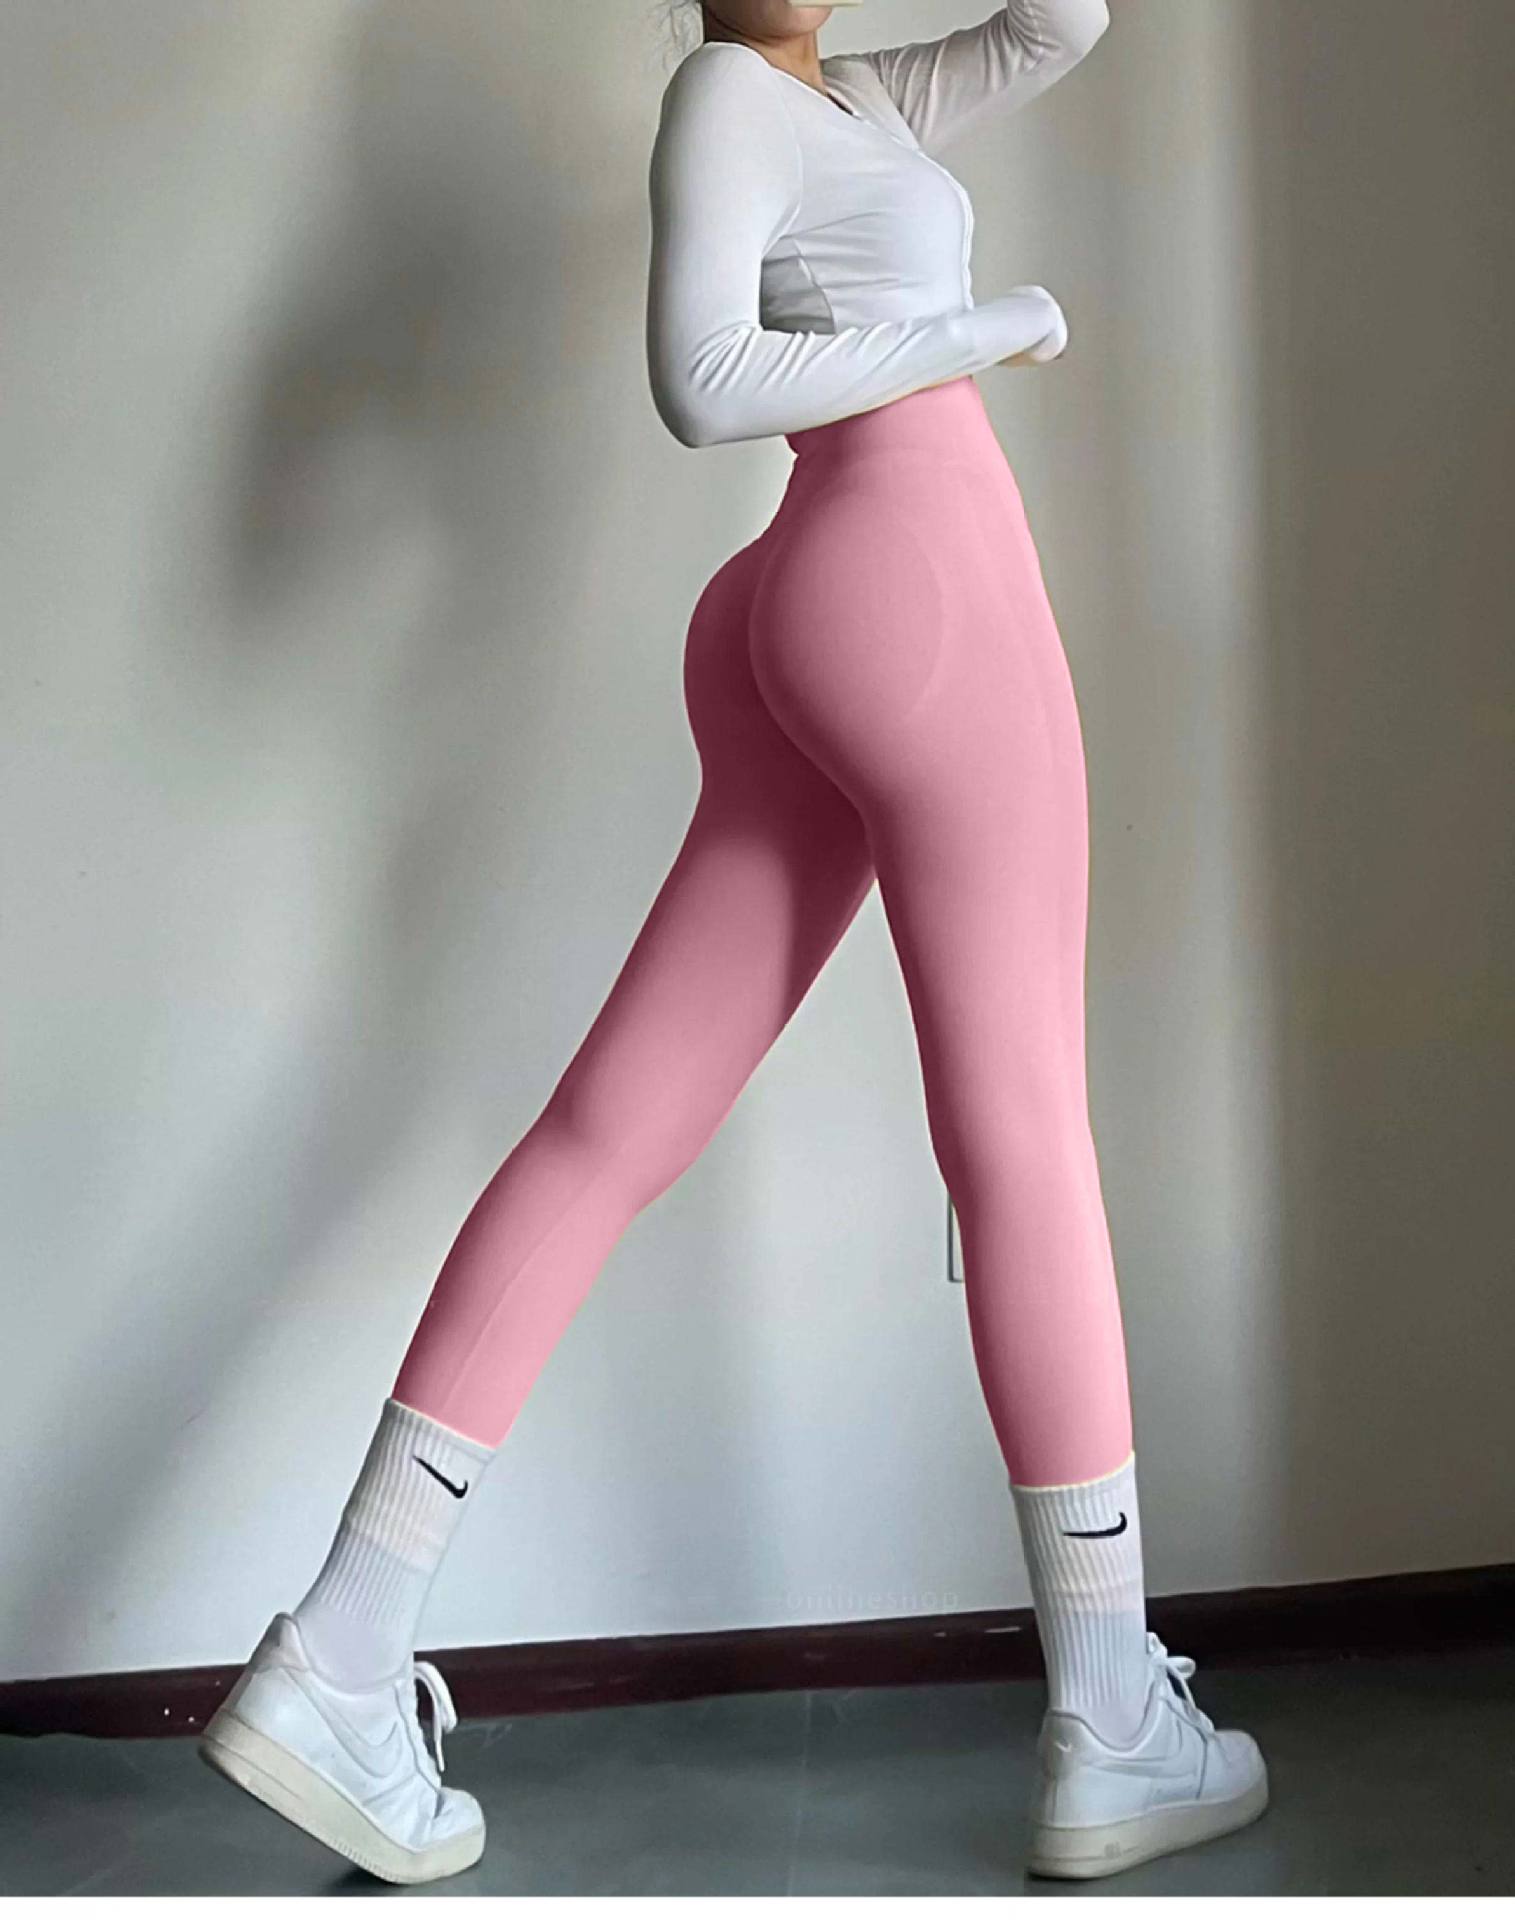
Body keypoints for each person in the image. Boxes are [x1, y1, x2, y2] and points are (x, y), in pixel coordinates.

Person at [200, 0, 1269, 1886]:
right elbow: (701, 380)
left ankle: (344, 1651)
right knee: (1025, 1136)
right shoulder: (722, 97)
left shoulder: (854, 99)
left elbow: (1065, 23)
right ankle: (1113, 1714)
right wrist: (986, 328)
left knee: (610, 1130)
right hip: (921, 579)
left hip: (813, 600)